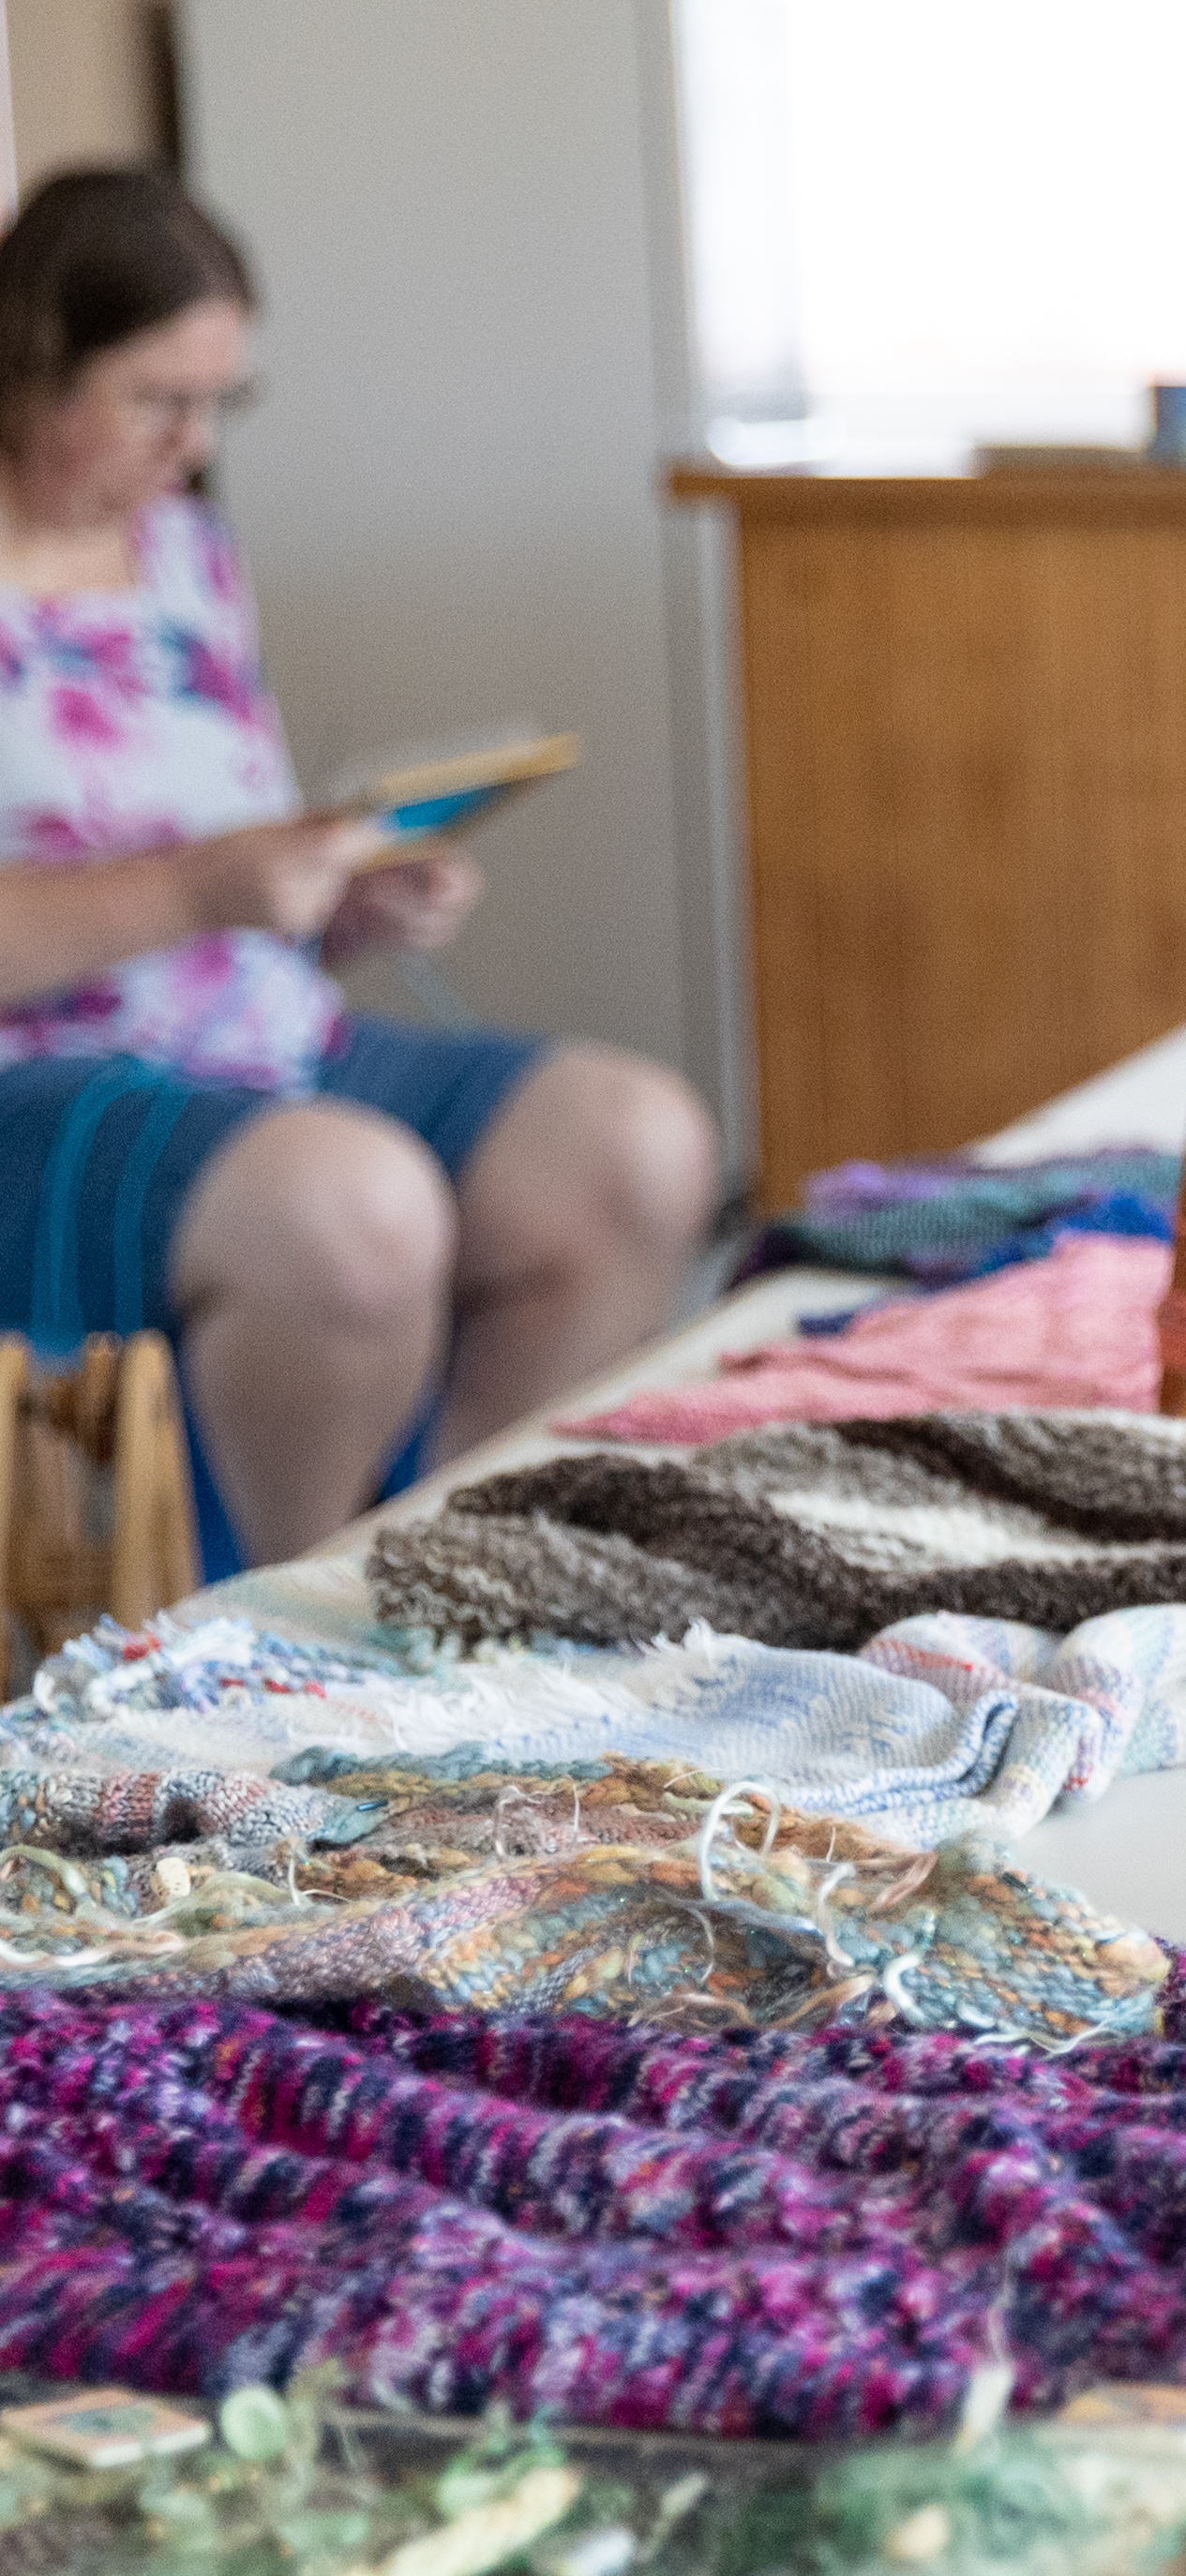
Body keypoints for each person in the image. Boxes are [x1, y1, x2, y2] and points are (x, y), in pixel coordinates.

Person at [0, 168, 715, 1570]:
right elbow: (186, 880)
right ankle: (277, 1633)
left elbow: (226, 878)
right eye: (157, 399)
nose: (193, 444)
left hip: (258, 1042)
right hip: (35, 1085)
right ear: (30, 366)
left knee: (636, 1144)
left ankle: (439, 1577)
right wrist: (208, 886)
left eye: (221, 405)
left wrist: (334, 903)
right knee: (354, 1208)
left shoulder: (187, 555)